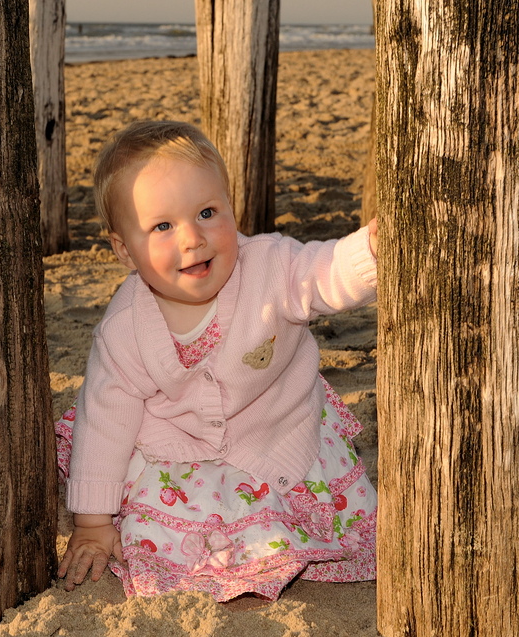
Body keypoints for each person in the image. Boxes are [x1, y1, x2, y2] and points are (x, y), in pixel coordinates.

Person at [55, 120, 379, 602]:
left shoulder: (270, 268)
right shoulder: (125, 327)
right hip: (177, 439)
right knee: (152, 501)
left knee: (297, 501)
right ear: (124, 250)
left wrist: (371, 251)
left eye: (207, 212)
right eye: (162, 226)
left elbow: (322, 271)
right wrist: (93, 522)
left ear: (231, 207)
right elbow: (105, 418)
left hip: (276, 424)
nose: (192, 238)